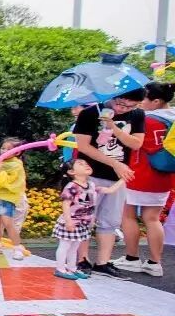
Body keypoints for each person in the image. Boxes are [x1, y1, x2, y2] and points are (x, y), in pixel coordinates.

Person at [71, 88, 143, 277]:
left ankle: (102, 262)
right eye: (121, 103)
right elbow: (83, 146)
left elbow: (136, 144)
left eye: (130, 106)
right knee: (85, 218)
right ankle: (82, 259)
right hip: (89, 174)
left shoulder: (137, 115)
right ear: (114, 95)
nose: (123, 108)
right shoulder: (89, 113)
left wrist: (113, 127)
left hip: (117, 177)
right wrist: (115, 164)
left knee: (110, 221)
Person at [111, 81, 174, 277]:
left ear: (156, 101)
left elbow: (134, 144)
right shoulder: (172, 119)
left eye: (144, 99)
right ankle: (155, 263)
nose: (140, 102)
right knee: (152, 219)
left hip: (139, 173)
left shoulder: (147, 120)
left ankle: (132, 258)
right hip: (164, 176)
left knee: (127, 215)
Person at [54, 158, 124, 280]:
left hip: (82, 224)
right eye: (80, 164)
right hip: (71, 222)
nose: (86, 165)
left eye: (86, 163)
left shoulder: (91, 185)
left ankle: (72, 268)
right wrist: (68, 221)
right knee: (65, 246)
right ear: (71, 172)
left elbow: (109, 190)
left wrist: (123, 179)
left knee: (74, 247)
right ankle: (60, 268)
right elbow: (65, 204)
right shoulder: (72, 187)